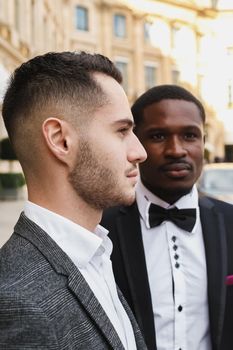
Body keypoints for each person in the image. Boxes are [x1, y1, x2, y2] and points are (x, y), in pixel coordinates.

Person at [0, 51, 148, 349]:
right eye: (121, 131)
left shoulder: (96, 253)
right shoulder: (16, 300)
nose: (139, 151)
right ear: (60, 140)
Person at [101, 84, 233, 350]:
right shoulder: (100, 228)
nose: (176, 150)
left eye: (189, 135)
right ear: (135, 143)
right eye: (159, 136)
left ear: (203, 142)